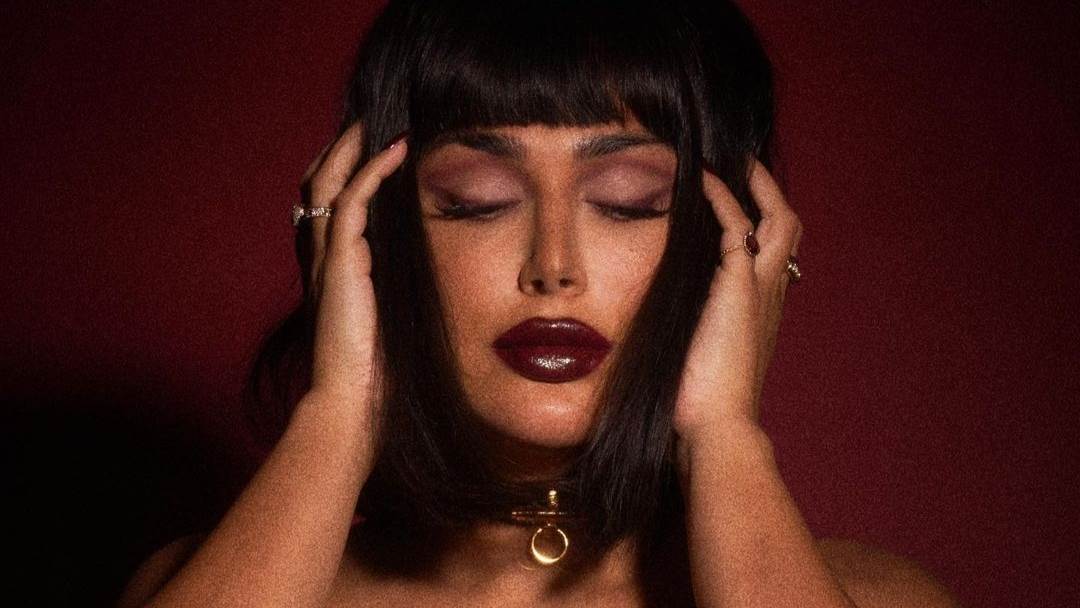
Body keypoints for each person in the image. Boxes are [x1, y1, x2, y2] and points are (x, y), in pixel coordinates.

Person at [118, 1, 960, 606]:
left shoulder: (875, 596)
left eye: (628, 201)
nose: (552, 266)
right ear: (378, 233)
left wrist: (725, 440)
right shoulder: (207, 580)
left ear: (730, 243)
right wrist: (337, 415)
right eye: (476, 200)